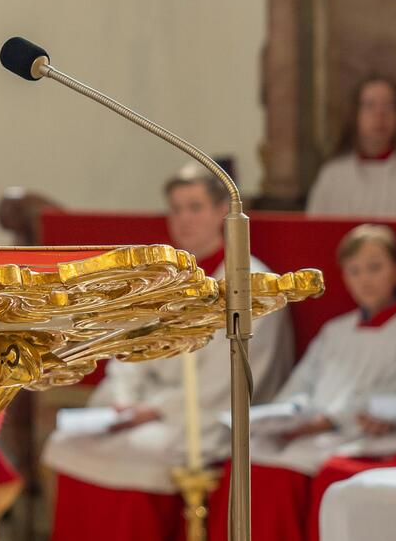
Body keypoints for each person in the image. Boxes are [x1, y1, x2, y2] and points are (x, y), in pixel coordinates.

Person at [41, 164, 294, 541]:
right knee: (68, 443)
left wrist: (153, 411)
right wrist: (124, 403)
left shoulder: (251, 284)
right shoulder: (165, 279)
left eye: (194, 207)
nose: (183, 219)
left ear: (224, 212)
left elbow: (227, 383)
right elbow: (129, 352)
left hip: (206, 418)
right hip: (148, 412)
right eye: (175, 209)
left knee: (141, 452)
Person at [208, 223, 396, 541]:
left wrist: (325, 421)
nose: (365, 279)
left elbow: (389, 394)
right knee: (250, 460)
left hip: (351, 433)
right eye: (354, 270)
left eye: (375, 267)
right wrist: (285, 415)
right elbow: (301, 383)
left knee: (285, 471)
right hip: (308, 428)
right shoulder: (335, 330)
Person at [307, 77, 396, 215]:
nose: (380, 114)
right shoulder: (332, 174)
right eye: (370, 105)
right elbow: (314, 228)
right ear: (355, 115)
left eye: (389, 105)